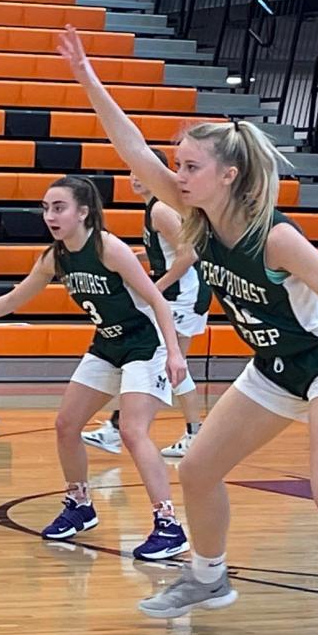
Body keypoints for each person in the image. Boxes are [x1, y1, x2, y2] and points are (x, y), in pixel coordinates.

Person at [58, 26, 318, 635]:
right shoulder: (197, 218)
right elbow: (132, 151)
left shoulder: (275, 238)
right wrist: (86, 76)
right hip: (274, 367)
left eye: (190, 166)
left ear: (228, 175)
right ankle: (208, 577)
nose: (177, 174)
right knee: (197, 469)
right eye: (179, 165)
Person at [0, 177, 191, 558]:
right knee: (67, 425)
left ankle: (168, 524)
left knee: (132, 431)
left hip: (144, 344)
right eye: (46, 207)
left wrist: (174, 353)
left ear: (83, 212)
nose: (49, 215)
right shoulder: (55, 257)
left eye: (59, 207)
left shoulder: (107, 247)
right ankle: (80, 504)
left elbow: (157, 300)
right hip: (108, 344)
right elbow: (14, 298)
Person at [83, 148, 209, 458]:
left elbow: (188, 255)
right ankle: (192, 433)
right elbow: (167, 252)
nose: (135, 176)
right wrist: (134, 259)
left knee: (157, 359)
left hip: (182, 296)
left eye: (142, 170)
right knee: (171, 366)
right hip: (179, 294)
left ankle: (120, 429)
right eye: (132, 170)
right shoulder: (153, 208)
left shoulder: (160, 210)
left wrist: (157, 288)